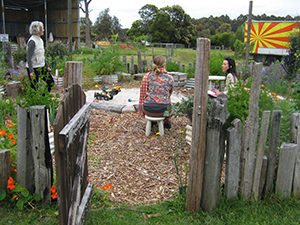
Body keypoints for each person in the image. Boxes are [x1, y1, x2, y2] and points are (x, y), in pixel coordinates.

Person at [139, 56, 174, 128]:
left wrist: (141, 108)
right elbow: (169, 94)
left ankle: (152, 122)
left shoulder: (147, 76)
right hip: (164, 110)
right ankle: (166, 121)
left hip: (148, 109)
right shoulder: (170, 78)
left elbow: (142, 95)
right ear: (164, 65)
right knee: (168, 101)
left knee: (151, 102)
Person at [26, 21, 54, 92]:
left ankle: (44, 96)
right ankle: (36, 101)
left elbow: (42, 55)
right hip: (34, 68)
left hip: (42, 66)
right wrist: (31, 71)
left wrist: (47, 65)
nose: (43, 30)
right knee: (34, 87)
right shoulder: (32, 41)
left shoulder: (40, 40)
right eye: (42, 29)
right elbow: (29, 57)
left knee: (50, 82)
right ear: (37, 30)